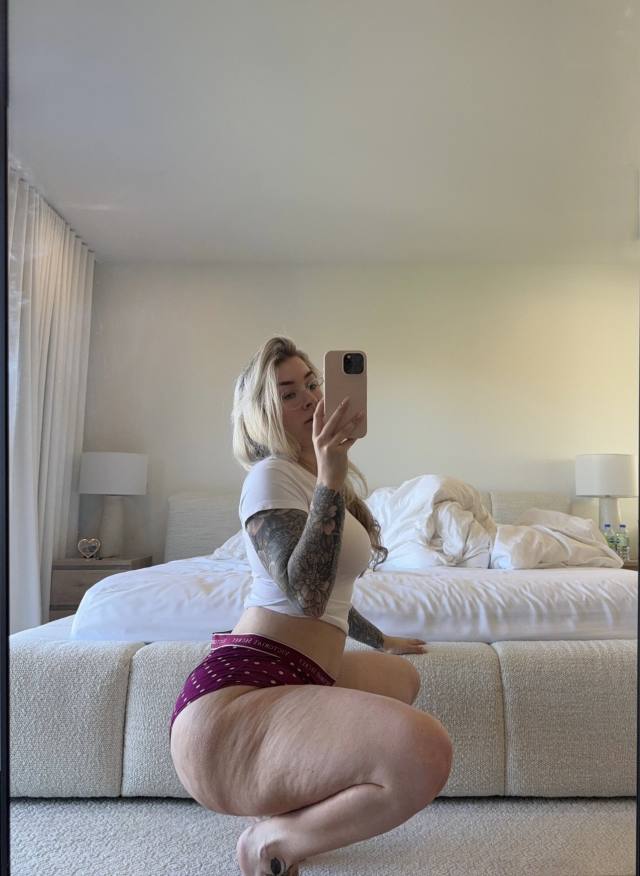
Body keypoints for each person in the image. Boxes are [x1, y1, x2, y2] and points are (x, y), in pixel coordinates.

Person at [170, 337, 453, 876]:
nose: (309, 398)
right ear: (262, 413)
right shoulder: (271, 476)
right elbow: (305, 594)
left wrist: (379, 639)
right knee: (425, 750)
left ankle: (281, 801)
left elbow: (331, 596)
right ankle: (272, 840)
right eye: (288, 393)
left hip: (297, 672)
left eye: (312, 384)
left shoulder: (309, 477)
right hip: (237, 706)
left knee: (400, 678)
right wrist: (330, 477)